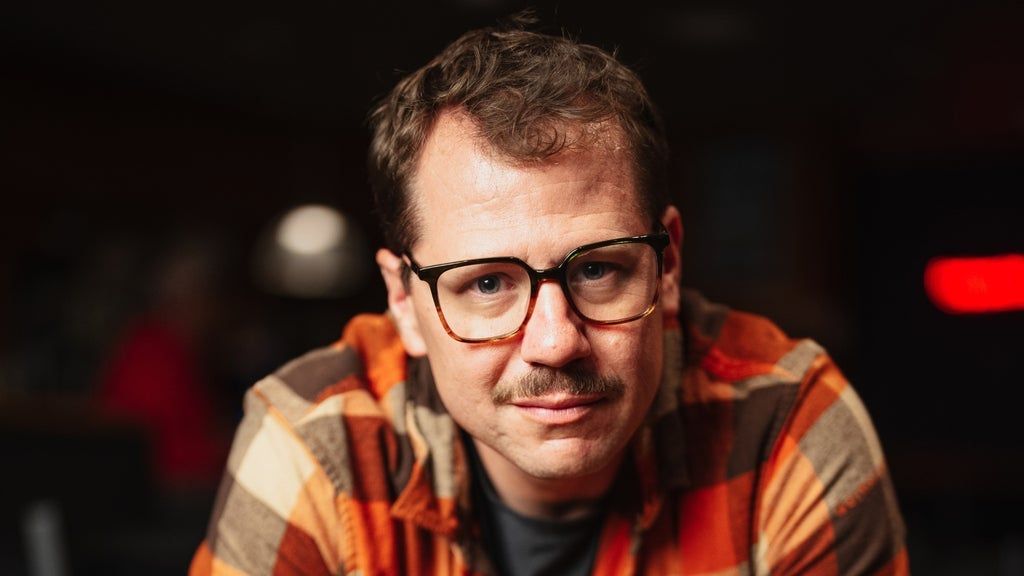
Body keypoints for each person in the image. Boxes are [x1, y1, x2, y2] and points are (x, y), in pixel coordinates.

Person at [190, 17, 907, 576]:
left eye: (597, 271)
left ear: (667, 265)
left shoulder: (788, 425)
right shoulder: (316, 445)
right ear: (404, 302)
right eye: (487, 284)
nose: (556, 342)